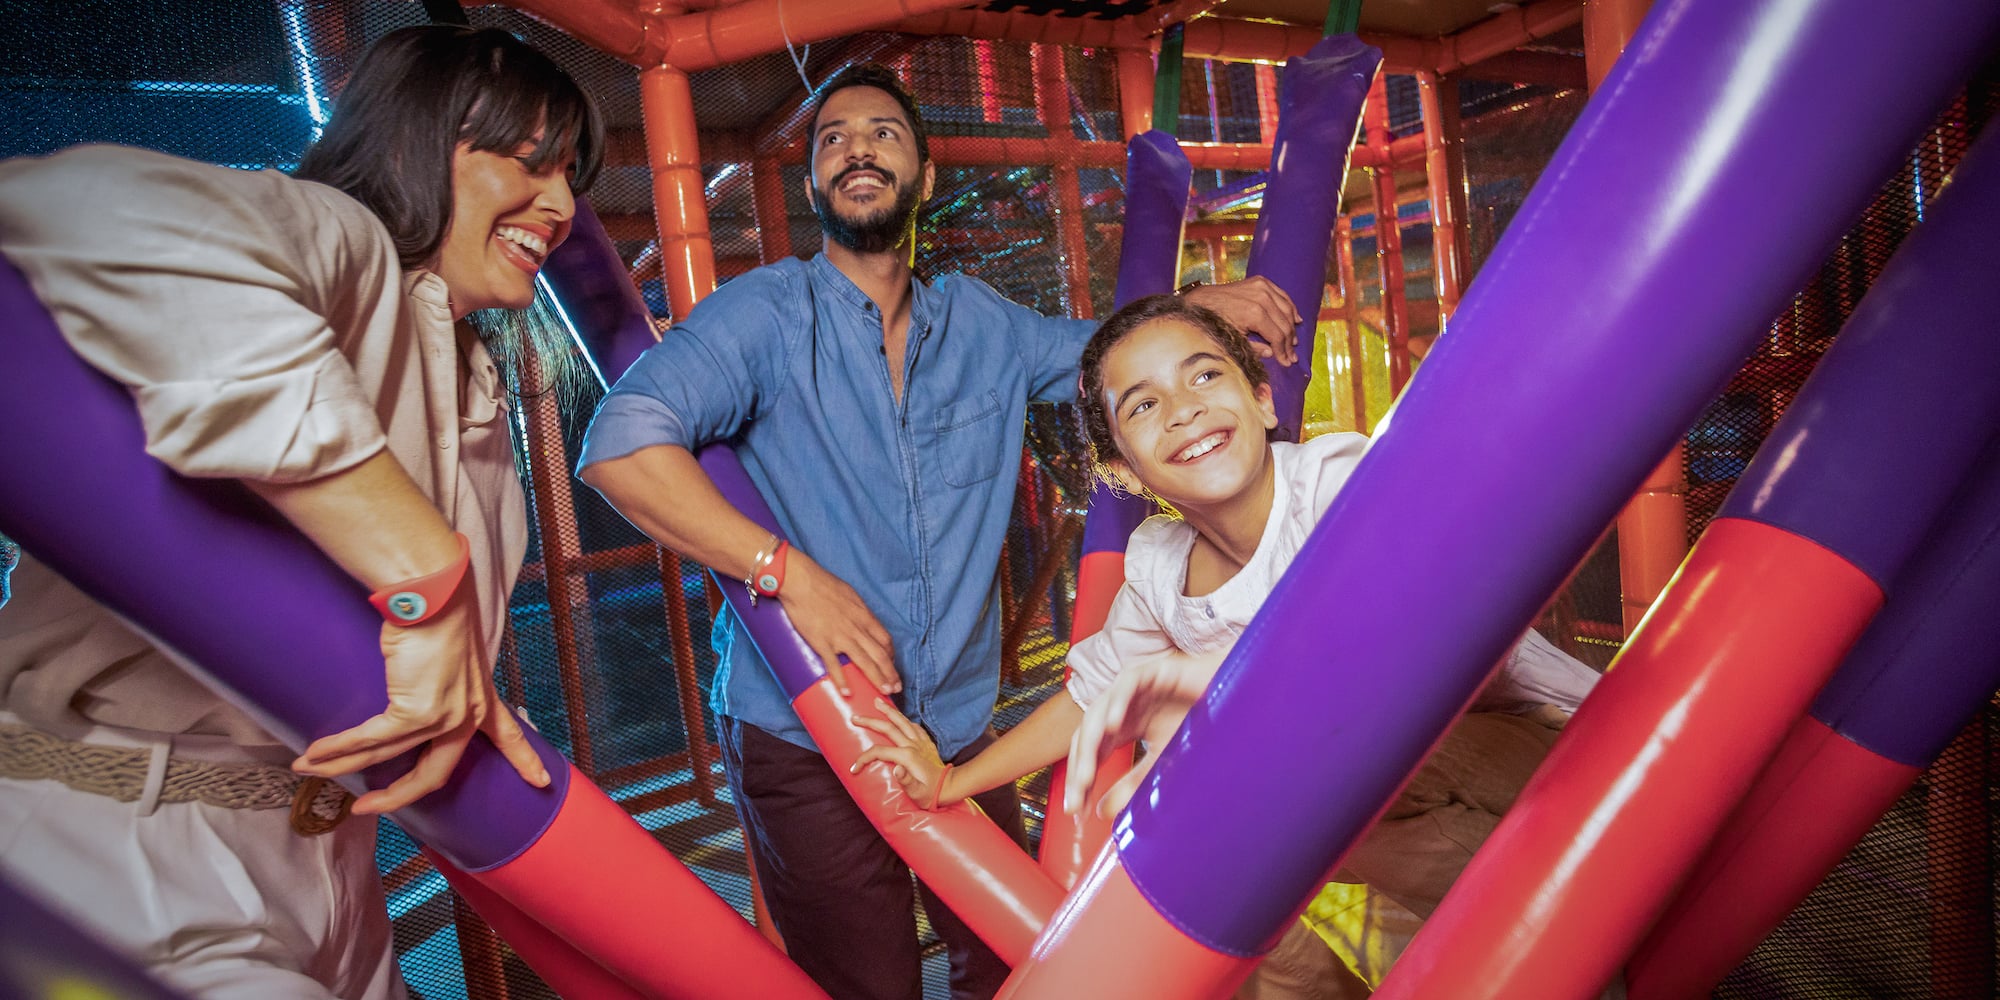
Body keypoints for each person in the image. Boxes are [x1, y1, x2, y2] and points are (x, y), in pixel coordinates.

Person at [578, 62, 1299, 1000]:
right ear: (814, 186)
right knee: (867, 981)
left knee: (1011, 965)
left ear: (921, 175)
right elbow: (619, 446)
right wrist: (788, 572)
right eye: (833, 138)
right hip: (807, 733)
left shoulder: (983, 326)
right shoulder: (765, 315)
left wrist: (1200, 307)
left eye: (882, 132)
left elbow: (1101, 350)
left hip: (958, 731)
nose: (856, 149)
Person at [0, 25, 602, 999]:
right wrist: (419, 575)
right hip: (122, 833)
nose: (564, 204)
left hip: (325, 848)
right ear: (414, 139)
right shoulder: (341, 240)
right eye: (527, 159)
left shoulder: (471, 368)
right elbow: (66, 207)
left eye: (569, 172)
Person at [853, 293, 1600, 998]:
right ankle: (1327, 983)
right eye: (1144, 406)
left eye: (1205, 375)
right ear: (1121, 469)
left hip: (1544, 749)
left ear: (1264, 400)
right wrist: (952, 783)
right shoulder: (1157, 563)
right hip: (1386, 808)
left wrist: (1213, 694)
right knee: (1184, 824)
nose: (1185, 410)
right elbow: (1091, 696)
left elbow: (1407, 653)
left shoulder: (1336, 486)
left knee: (1229, 771)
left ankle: (1541, 908)